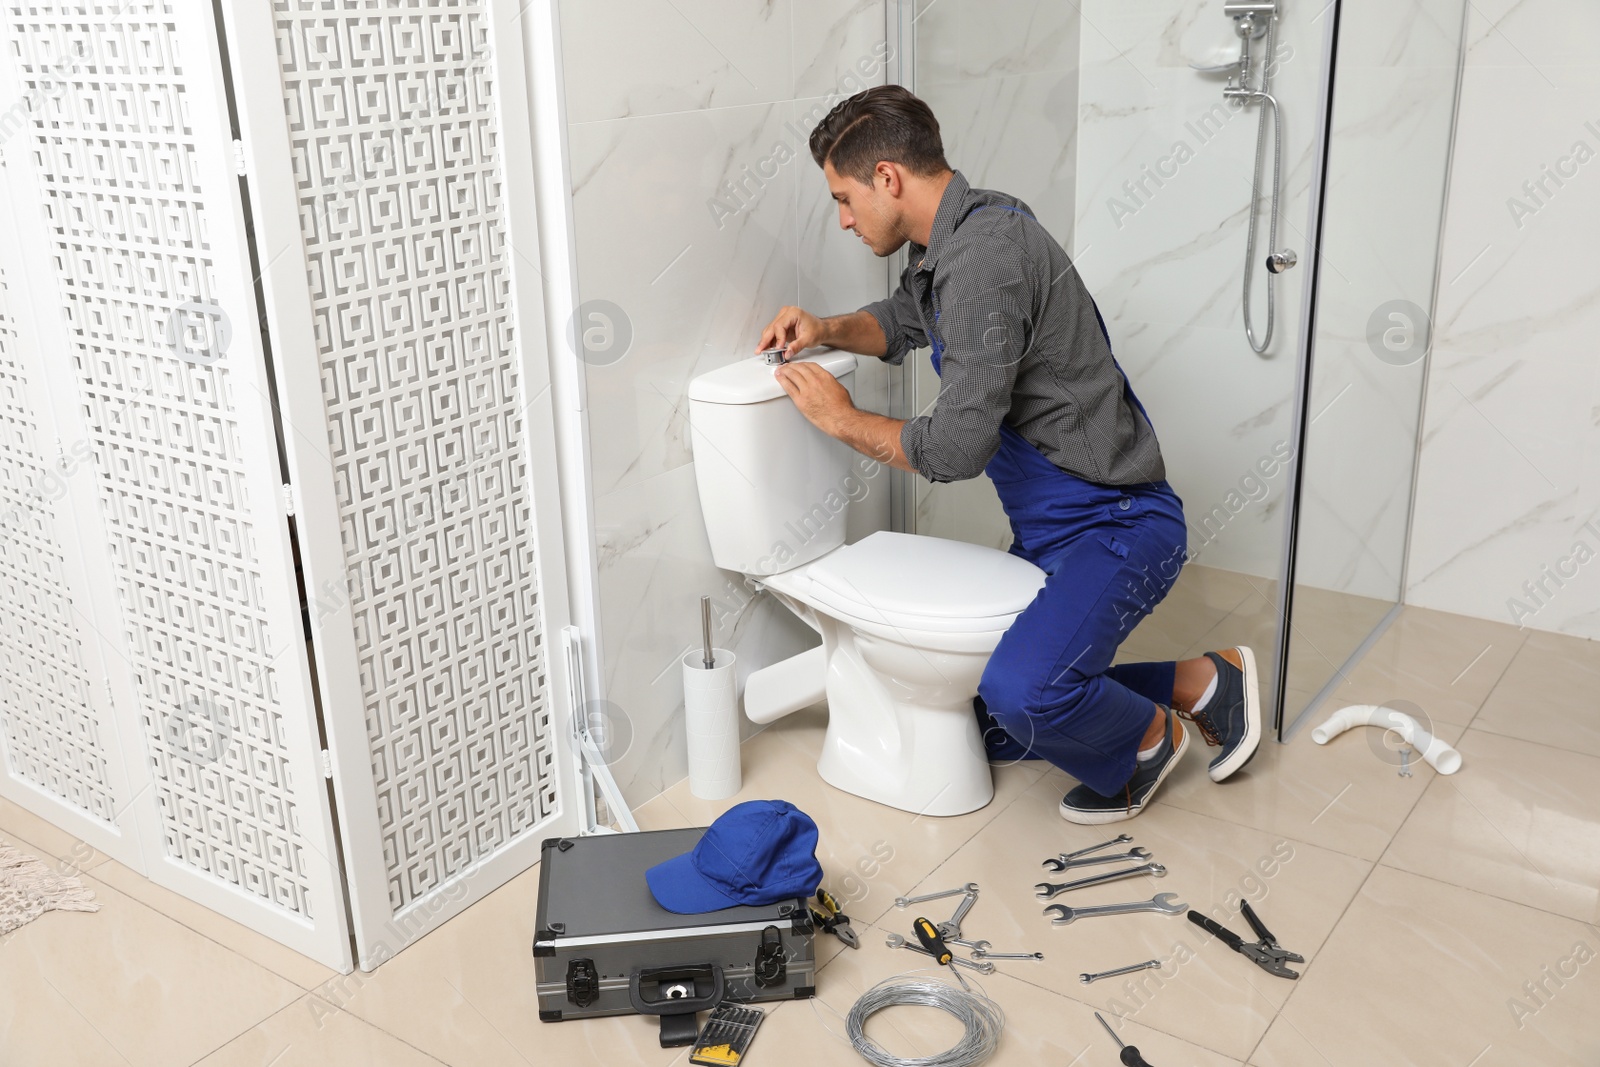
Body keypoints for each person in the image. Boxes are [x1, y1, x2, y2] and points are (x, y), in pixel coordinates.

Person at [755, 85, 1261, 823]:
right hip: (1061, 528)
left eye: (843, 197)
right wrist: (824, 327)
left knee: (1024, 696)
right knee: (986, 721)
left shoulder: (983, 260)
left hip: (1118, 527)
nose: (843, 219)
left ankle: (1148, 745)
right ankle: (1204, 683)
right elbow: (905, 319)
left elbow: (958, 448)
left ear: (887, 179)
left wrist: (843, 420)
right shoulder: (960, 234)